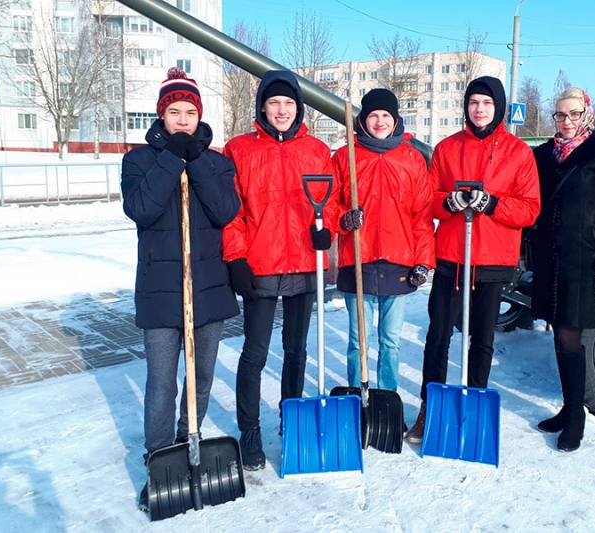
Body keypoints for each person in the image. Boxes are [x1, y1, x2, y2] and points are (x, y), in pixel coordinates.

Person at [121, 67, 240, 510]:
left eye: (190, 112)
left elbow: (226, 210)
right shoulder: (138, 161)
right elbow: (142, 209)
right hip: (159, 290)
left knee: (202, 377)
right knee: (160, 382)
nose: (183, 120)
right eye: (175, 112)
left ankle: (189, 437)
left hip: (208, 288)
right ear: (162, 115)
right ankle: (159, 459)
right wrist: (172, 158)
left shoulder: (216, 161)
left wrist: (195, 160)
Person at [405, 76, 541, 444]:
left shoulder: (518, 153)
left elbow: (530, 209)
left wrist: (493, 203)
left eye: (486, 103)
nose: (479, 109)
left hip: (493, 258)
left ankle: (474, 406)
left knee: (481, 340)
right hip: (452, 257)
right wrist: (447, 203)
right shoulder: (448, 148)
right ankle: (428, 408)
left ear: (498, 107)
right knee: (438, 336)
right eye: (473, 102)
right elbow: (427, 199)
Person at [222, 70, 335, 471]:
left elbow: (331, 202)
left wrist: (328, 232)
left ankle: (292, 418)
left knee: (296, 351)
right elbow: (230, 212)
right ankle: (249, 431)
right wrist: (236, 258)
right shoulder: (239, 150)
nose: (282, 110)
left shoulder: (317, 150)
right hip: (261, 263)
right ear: (262, 108)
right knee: (254, 353)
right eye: (274, 103)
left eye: (289, 103)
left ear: (299, 108)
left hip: (305, 263)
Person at [530, 87, 595, 452]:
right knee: (558, 331)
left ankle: (576, 419)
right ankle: (568, 407)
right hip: (550, 259)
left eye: (573, 114)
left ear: (587, 114)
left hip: (583, 259)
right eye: (559, 115)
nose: (566, 122)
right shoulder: (546, 155)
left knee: (571, 334)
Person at [331, 88, 435, 394]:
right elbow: (330, 201)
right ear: (363, 119)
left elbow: (423, 217)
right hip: (358, 259)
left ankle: (386, 397)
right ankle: (356, 396)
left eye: (386, 115)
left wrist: (423, 261)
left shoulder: (412, 160)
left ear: (396, 119)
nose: (379, 121)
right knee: (357, 341)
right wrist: (343, 219)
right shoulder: (345, 156)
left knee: (390, 341)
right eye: (373, 115)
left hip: (398, 261)